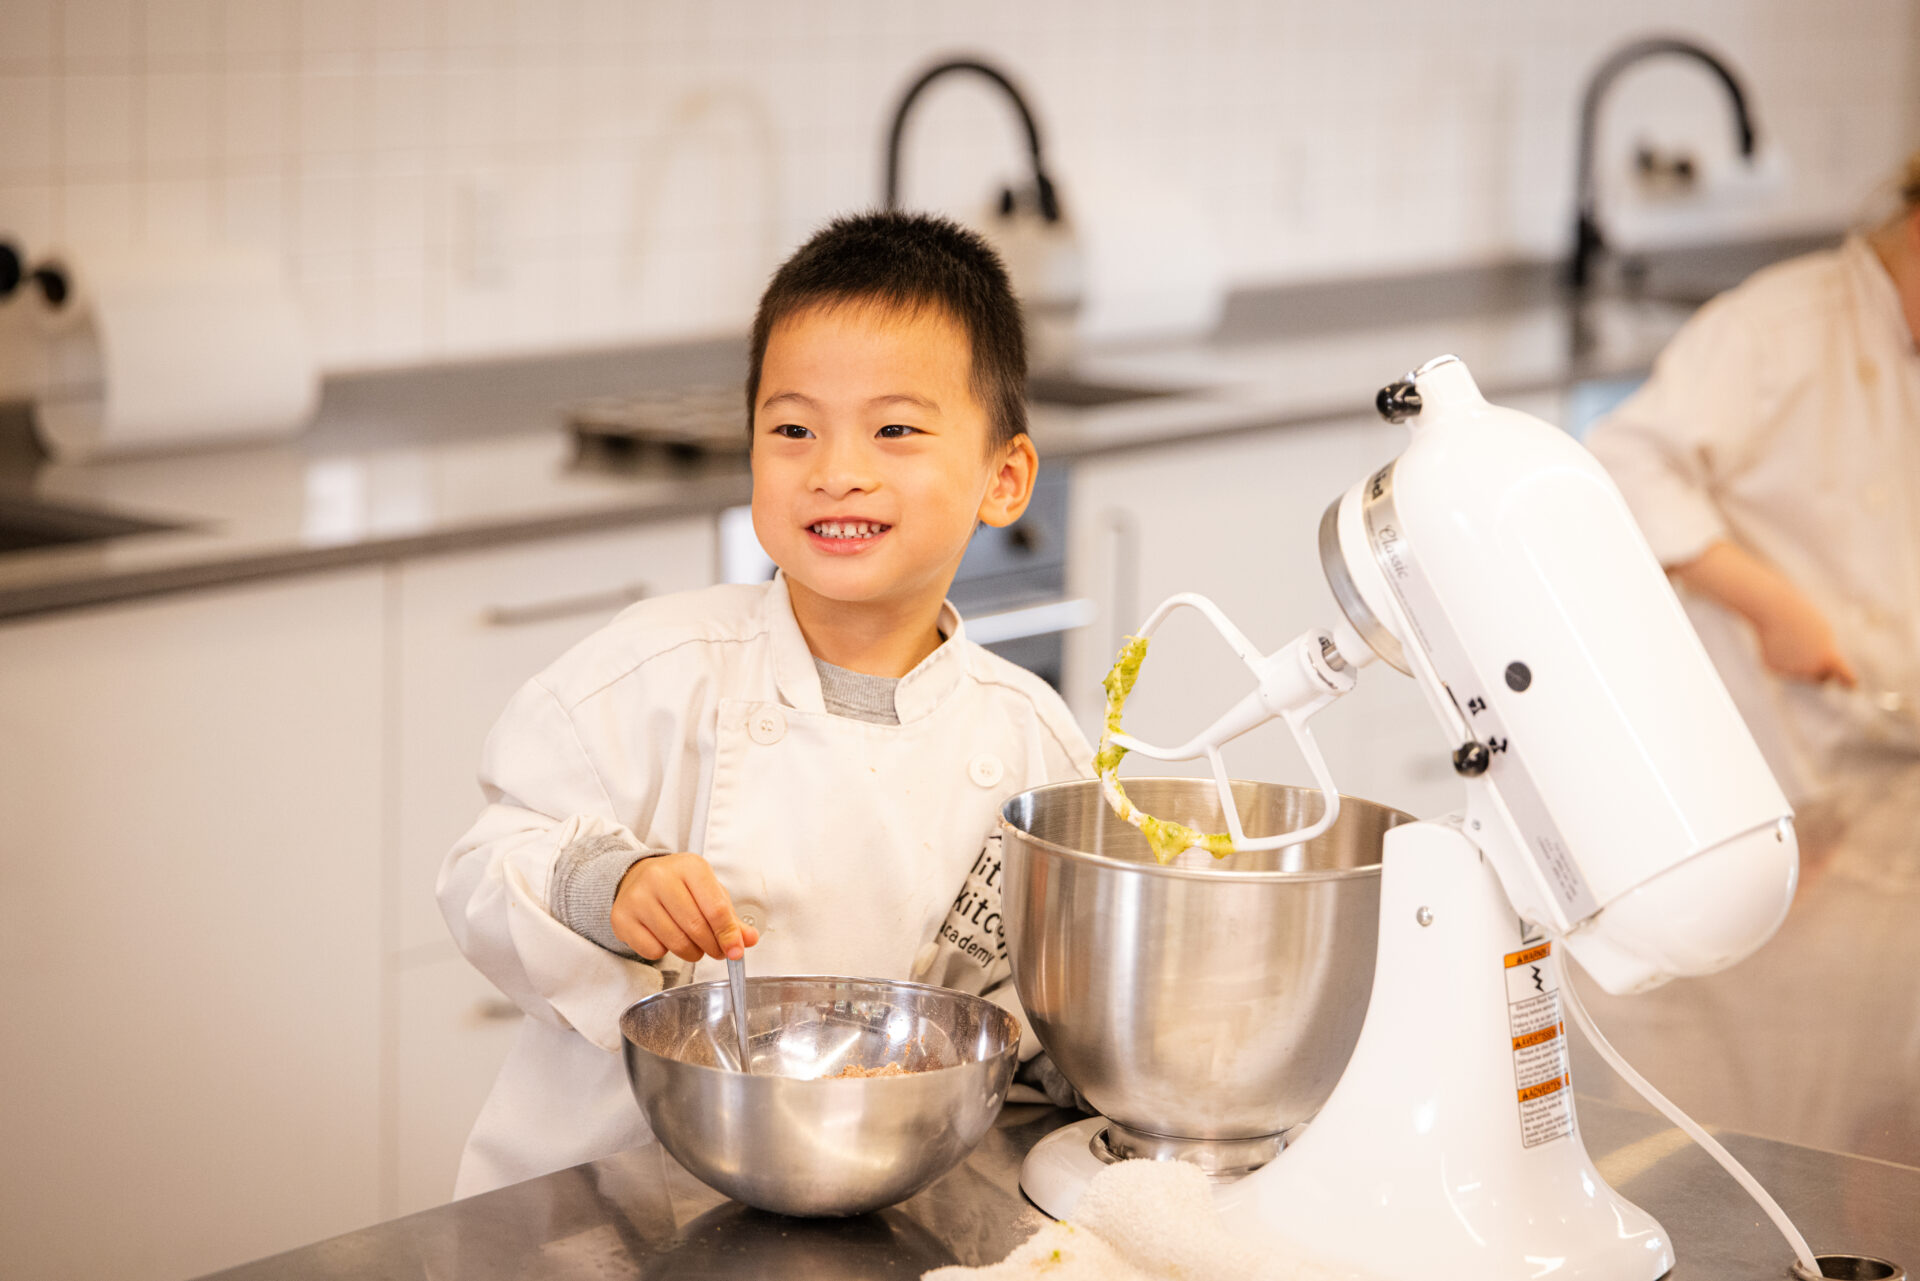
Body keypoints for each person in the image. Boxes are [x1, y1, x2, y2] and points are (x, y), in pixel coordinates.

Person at [438, 211, 1093, 1197]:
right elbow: (484, 872)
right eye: (793, 429)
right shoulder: (656, 673)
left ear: (1005, 480)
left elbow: (1039, 1009)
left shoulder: (1029, 741)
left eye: (896, 429)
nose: (837, 470)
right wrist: (609, 888)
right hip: (608, 1209)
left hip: (894, 1203)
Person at [1586, 151, 1920, 803]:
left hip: (1891, 750)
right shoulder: (1774, 328)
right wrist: (1772, 607)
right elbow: (1624, 462)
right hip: (1781, 753)